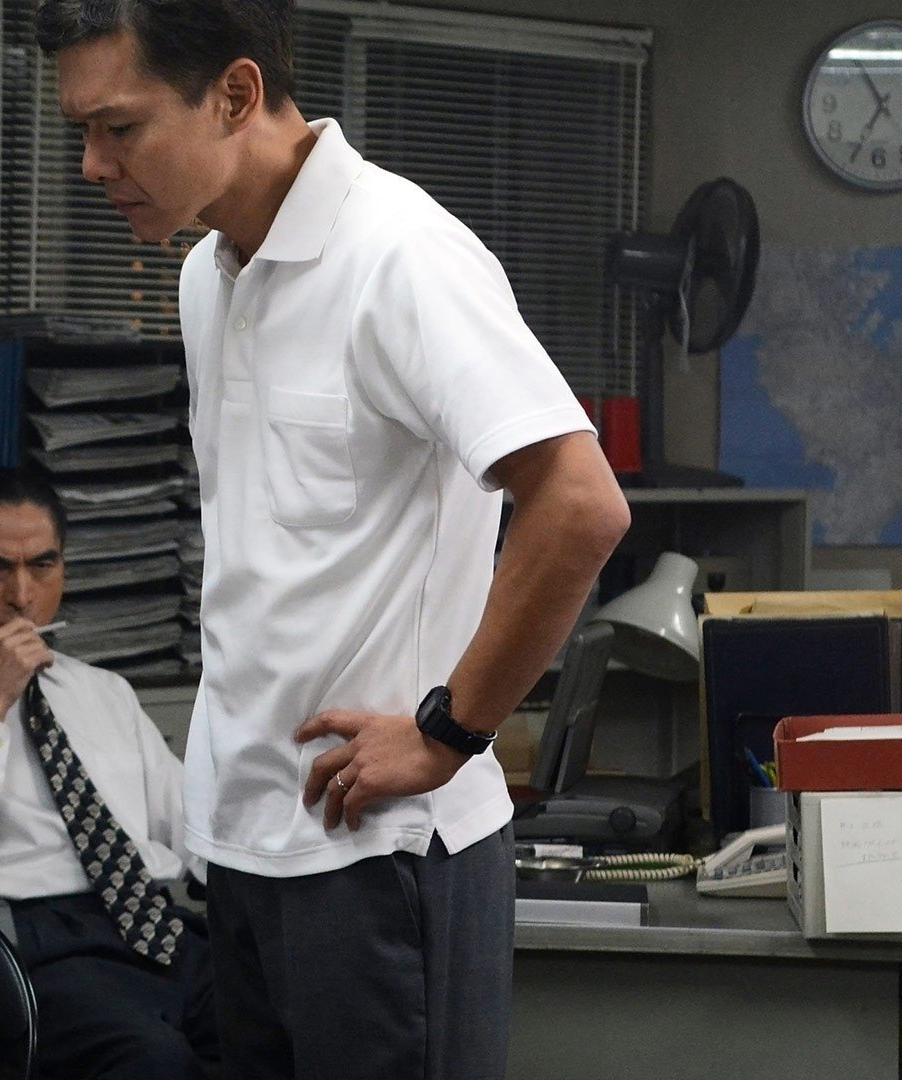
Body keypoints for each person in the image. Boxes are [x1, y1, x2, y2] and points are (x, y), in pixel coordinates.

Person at [35, 3, 632, 1078]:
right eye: (82, 132)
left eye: (119, 128)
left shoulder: (399, 254)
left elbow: (579, 505)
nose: (92, 165)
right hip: (245, 840)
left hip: (385, 844)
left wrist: (450, 731)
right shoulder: (207, 270)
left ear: (236, 94)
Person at [0, 467, 217, 1080]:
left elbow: (189, 829)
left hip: (150, 920)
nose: (22, 594)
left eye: (42, 566)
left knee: (280, 1025)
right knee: (154, 1060)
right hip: (28, 939)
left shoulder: (105, 692)